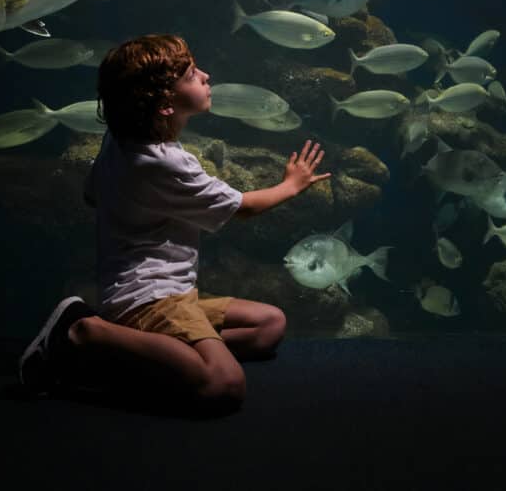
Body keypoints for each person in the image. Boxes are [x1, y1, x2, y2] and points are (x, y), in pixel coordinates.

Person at [17, 34, 331, 414]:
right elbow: (242, 208)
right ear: (165, 104)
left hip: (169, 292)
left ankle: (142, 355)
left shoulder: (118, 141)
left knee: (268, 326)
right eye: (191, 74)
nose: (206, 75)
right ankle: (85, 331)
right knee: (224, 385)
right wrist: (291, 185)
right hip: (149, 296)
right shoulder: (164, 164)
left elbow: (92, 194)